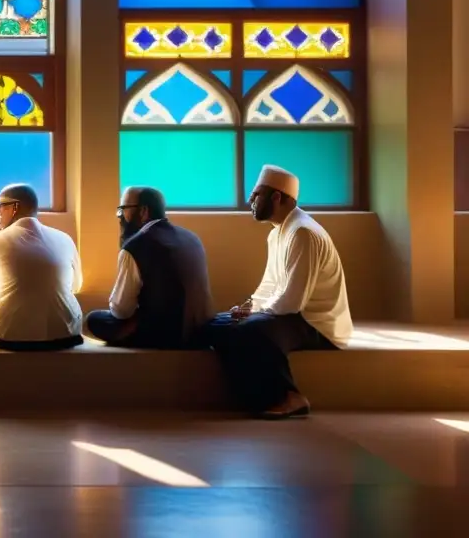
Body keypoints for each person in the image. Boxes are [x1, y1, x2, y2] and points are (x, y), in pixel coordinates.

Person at [206, 165, 353, 419]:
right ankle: (252, 398)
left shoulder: (303, 233)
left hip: (316, 323)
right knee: (217, 325)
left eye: (256, 195)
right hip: (291, 315)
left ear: (276, 197)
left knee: (253, 329)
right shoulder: (278, 232)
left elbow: (292, 303)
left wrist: (254, 316)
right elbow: (270, 285)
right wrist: (248, 307)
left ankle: (289, 396)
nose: (250, 200)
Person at [85, 187, 214, 349]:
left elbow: (122, 311)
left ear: (143, 211)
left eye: (122, 210)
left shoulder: (136, 246)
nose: (120, 218)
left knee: (94, 319)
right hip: (199, 331)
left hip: (164, 336)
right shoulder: (191, 237)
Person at [0, 184, 84, 350]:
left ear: (14, 207)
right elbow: (76, 286)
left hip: (11, 338)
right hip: (66, 335)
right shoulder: (65, 239)